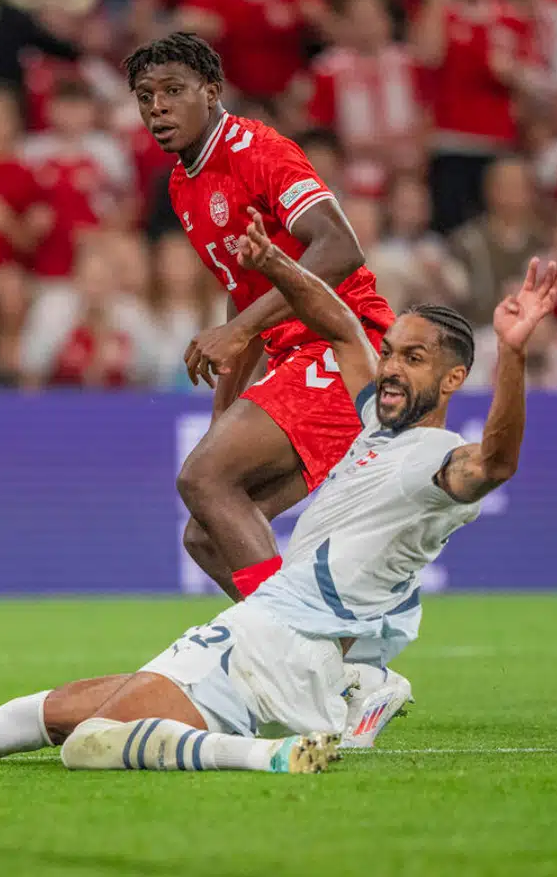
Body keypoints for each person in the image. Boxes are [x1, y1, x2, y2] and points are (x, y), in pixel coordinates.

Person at [0, 218, 557, 773]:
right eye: (395, 353)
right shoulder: (375, 426)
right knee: (67, 718)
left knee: (77, 722)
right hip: (262, 636)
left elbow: (494, 460)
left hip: (279, 645)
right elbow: (343, 328)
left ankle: (279, 750)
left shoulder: (436, 459)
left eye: (415, 360)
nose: (392, 368)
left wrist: (515, 358)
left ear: (455, 378)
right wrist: (275, 268)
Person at [126, 32, 397, 603]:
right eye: (145, 96)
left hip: (347, 349)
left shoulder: (259, 150)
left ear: (211, 90)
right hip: (293, 360)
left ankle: (298, 656)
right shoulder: (182, 183)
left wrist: (242, 328)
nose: (157, 107)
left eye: (173, 91)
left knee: (203, 478)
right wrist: (222, 417)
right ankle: (328, 664)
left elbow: (341, 246)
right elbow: (240, 293)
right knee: (205, 535)